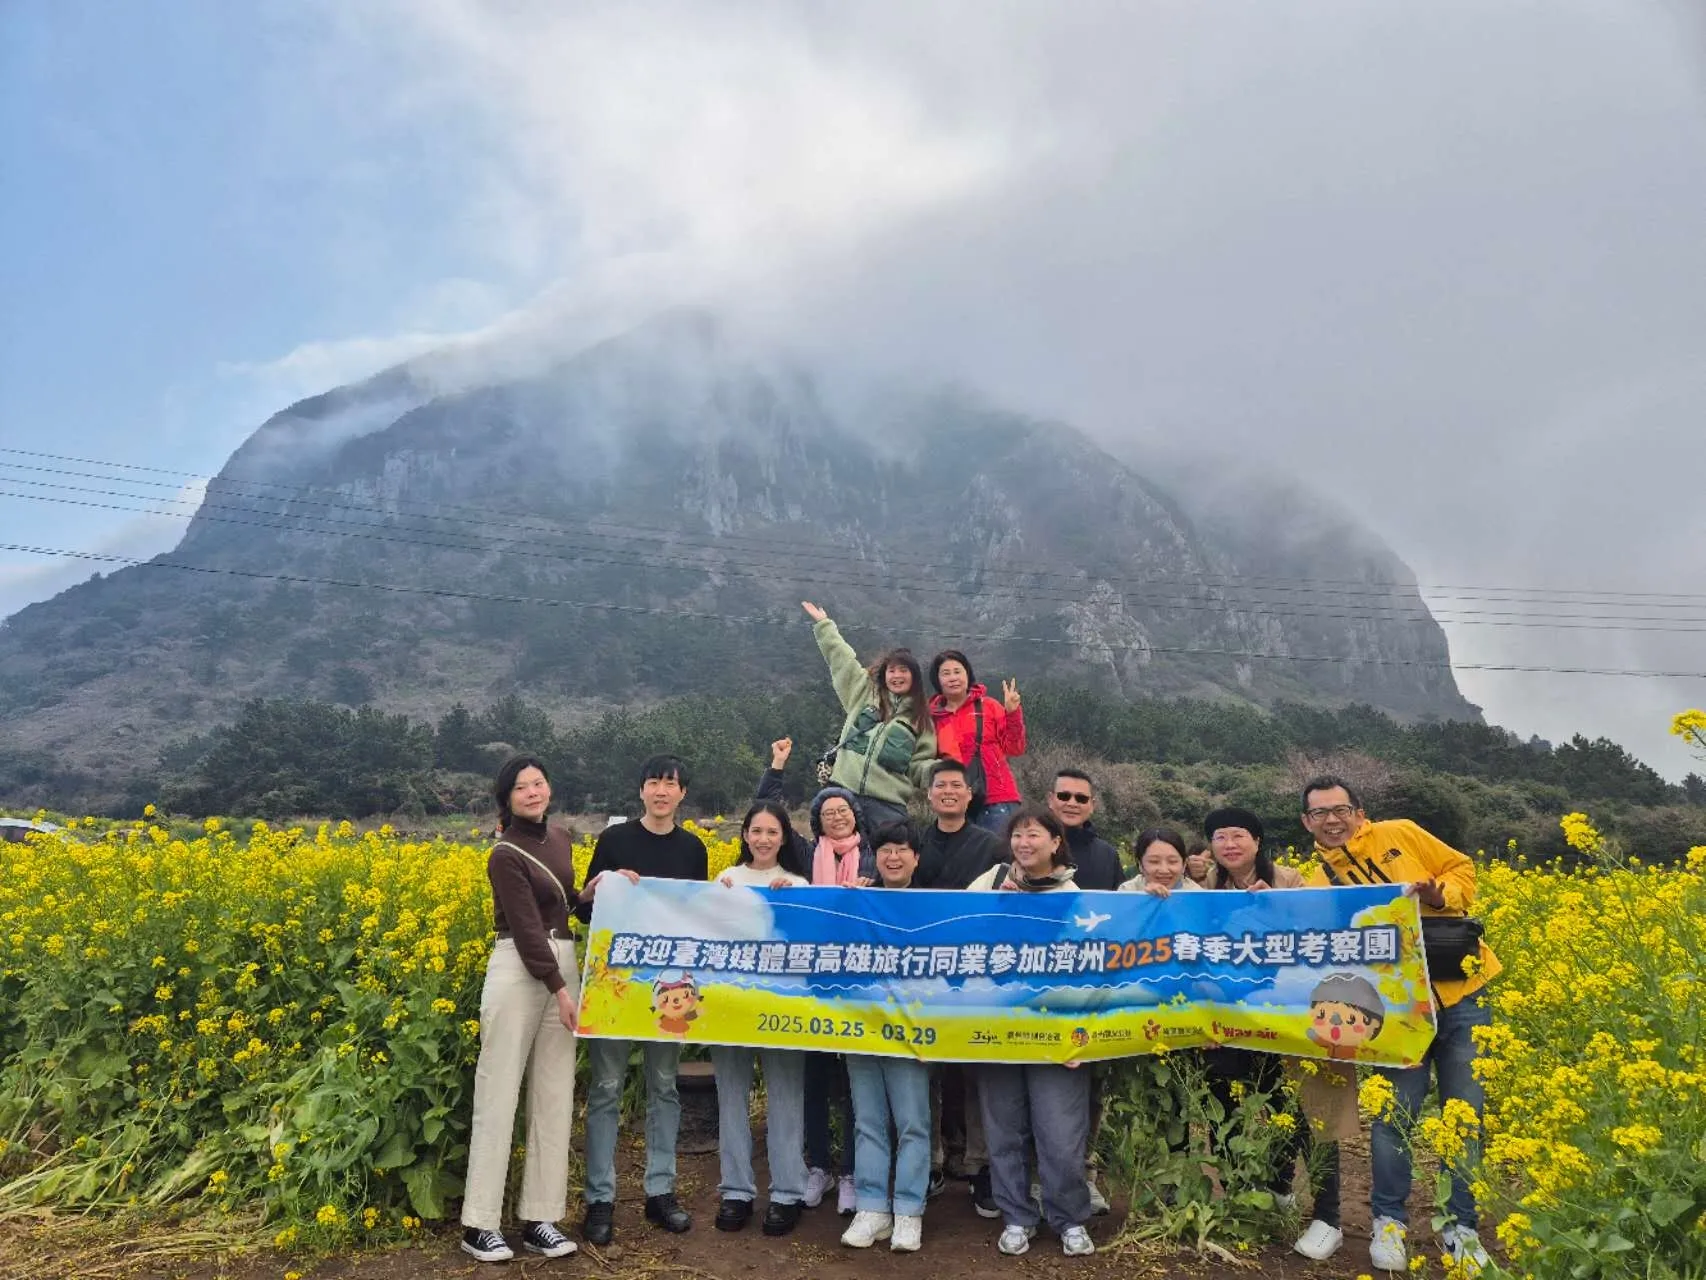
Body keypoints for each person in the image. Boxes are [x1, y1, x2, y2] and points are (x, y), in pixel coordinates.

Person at [1301, 776, 1500, 1275]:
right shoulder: (1316, 881)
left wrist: (1440, 894)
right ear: (1307, 822)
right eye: (1319, 813)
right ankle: (1389, 1223)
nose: (1331, 819)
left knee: (1466, 1115)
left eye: (1340, 809)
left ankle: (1462, 1225)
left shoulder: (1402, 834)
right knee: (1394, 1117)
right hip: (1396, 1013)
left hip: (1461, 994)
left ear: (1359, 811)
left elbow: (1463, 870)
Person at [575, 755, 709, 1246]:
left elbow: (697, 916)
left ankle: (660, 1192)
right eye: (653, 781)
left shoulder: (694, 849)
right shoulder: (614, 841)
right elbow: (586, 910)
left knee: (665, 1087)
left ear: (682, 794)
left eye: (670, 783)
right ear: (641, 791)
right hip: (615, 984)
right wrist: (595, 891)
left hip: (669, 988)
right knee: (607, 1087)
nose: (661, 790)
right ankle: (600, 1199)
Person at [1197, 807, 1335, 1258]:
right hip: (1226, 1021)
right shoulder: (1202, 890)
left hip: (1284, 1020)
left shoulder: (1291, 880)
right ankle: (1239, 1192)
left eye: (1239, 835)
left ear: (1257, 841)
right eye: (1221, 837)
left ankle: (1284, 1189)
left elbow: (1320, 935)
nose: (1230, 844)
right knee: (1225, 1109)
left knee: (1291, 1110)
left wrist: (1278, 907)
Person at [460, 757, 581, 1263]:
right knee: (500, 1091)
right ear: (505, 797)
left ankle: (540, 1218)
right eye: (521, 786)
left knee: (554, 1094)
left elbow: (563, 902)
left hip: (564, 964)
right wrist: (558, 987)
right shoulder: (503, 853)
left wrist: (595, 892)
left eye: (539, 783)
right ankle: (479, 1224)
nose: (533, 792)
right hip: (521, 968)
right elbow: (528, 929)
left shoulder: (560, 839)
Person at [969, 809, 1096, 1259]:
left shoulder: (1073, 893)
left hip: (1054, 1032)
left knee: (1061, 1136)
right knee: (1004, 1131)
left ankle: (1069, 1218)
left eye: (1035, 835)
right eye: (1018, 835)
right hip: (998, 1028)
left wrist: (1079, 1034)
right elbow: (960, 936)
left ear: (1055, 842)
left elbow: (1085, 964)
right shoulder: (991, 880)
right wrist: (996, 908)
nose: (1025, 843)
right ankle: (1017, 1216)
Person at [756, 737, 864, 1212]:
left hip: (861, 984)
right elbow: (768, 810)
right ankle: (818, 1164)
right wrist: (777, 767)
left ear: (856, 816)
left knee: (856, 1083)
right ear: (815, 821)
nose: (836, 817)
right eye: (827, 812)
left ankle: (855, 1174)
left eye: (843, 811)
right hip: (813, 983)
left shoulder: (879, 857)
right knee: (816, 1080)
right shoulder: (804, 856)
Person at [710, 801, 810, 1236]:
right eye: (756, 831)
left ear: (784, 837)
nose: (763, 839)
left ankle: (787, 1192)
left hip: (781, 1007)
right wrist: (720, 899)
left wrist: (796, 903)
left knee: (786, 1097)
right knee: (731, 1096)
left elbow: (808, 944)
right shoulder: (724, 880)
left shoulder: (799, 883)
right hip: (732, 1005)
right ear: (745, 835)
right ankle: (736, 1191)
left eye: (772, 831)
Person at [912, 758, 1005, 1212]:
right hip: (923, 972)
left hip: (976, 971)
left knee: (975, 1070)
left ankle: (979, 1165)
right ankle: (928, 1161)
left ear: (970, 795)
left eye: (957, 785)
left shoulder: (992, 845)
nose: (948, 791)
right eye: (940, 785)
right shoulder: (912, 840)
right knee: (926, 1064)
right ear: (929, 795)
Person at [840, 821, 935, 1253]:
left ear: (916, 857)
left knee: (913, 1123)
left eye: (901, 849)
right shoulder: (858, 901)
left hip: (911, 1034)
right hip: (862, 1030)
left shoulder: (934, 905)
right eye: (884, 850)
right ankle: (872, 1206)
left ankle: (909, 1210)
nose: (892, 857)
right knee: (868, 1121)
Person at [801, 601, 937, 828]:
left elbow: (919, 765)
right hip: (842, 794)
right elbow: (843, 661)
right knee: (833, 857)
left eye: (904, 671)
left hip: (887, 807)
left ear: (914, 676)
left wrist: (941, 774)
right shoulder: (863, 693)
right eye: (892, 670)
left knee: (883, 862)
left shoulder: (921, 720)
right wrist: (825, 626)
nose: (897, 676)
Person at [927, 650, 1027, 833]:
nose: (953, 678)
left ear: (968, 674)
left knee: (998, 859)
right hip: (956, 804)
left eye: (958, 671)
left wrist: (1012, 713)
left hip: (997, 799)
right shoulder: (932, 718)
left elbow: (1015, 748)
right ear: (937, 680)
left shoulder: (988, 706)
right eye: (945, 673)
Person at [1044, 769, 1125, 891]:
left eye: (1081, 798)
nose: (1072, 803)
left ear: (1092, 805)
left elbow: (1121, 902)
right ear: (1050, 799)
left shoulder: (1108, 855)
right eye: (1064, 796)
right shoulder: (1026, 847)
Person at [1118, 827, 1205, 895]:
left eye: (1172, 861)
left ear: (1184, 865)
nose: (1164, 870)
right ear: (1140, 865)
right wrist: (1145, 898)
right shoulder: (1127, 892)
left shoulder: (1196, 894)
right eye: (1154, 861)